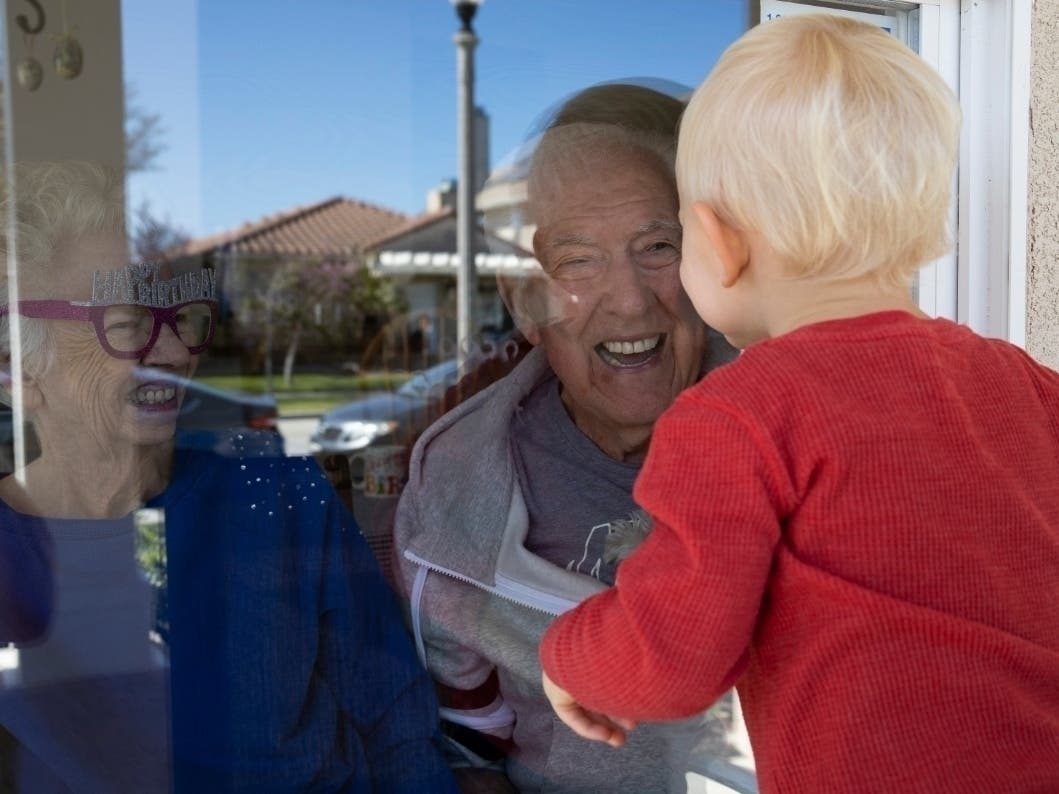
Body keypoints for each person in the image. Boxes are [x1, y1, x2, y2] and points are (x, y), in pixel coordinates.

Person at [539, 16, 1059, 794]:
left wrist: (569, 659)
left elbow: (671, 655)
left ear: (715, 243)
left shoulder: (736, 419)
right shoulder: (1027, 385)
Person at [0, 160, 457, 793]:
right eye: (126, 324)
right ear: (16, 367)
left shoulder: (272, 486)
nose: (173, 353)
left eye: (177, 317)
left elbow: (396, 721)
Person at [392, 82, 739, 793]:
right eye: (578, 260)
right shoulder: (462, 484)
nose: (629, 299)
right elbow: (467, 740)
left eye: (657, 246)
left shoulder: (789, 437)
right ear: (526, 305)